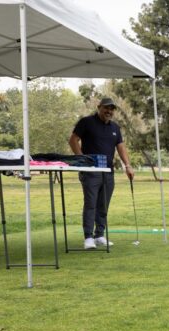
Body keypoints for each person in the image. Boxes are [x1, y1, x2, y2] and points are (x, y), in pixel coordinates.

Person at [69, 97, 134, 250]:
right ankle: (88, 238)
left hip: (108, 172)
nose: (109, 111)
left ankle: (99, 235)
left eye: (111, 109)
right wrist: (82, 159)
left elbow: (121, 147)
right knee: (91, 204)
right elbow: (73, 140)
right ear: (99, 107)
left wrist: (128, 165)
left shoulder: (115, 128)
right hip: (91, 171)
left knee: (103, 205)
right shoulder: (86, 122)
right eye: (106, 108)